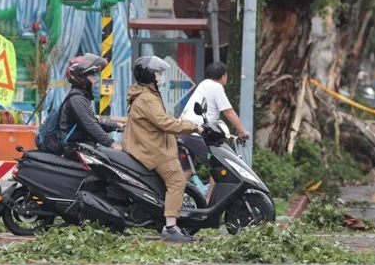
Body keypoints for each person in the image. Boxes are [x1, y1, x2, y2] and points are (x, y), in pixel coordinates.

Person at [123, 56, 201, 243]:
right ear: (149, 75)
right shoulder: (147, 98)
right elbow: (165, 123)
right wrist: (193, 126)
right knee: (176, 181)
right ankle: (170, 227)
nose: (160, 76)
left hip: (150, 147)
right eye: (158, 73)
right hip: (153, 151)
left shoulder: (146, 95)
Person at [179, 62, 250, 174]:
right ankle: (213, 193)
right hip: (196, 134)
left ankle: (178, 192)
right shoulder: (217, 87)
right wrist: (242, 131)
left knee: (186, 170)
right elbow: (228, 111)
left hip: (183, 131)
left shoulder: (203, 84)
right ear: (223, 76)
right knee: (220, 165)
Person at [59, 54, 122, 153]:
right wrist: (113, 144)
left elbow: (94, 121)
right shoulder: (77, 99)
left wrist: (118, 125)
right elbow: (91, 125)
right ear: (81, 77)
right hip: (74, 149)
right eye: (92, 75)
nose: (95, 78)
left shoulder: (81, 97)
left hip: (83, 146)